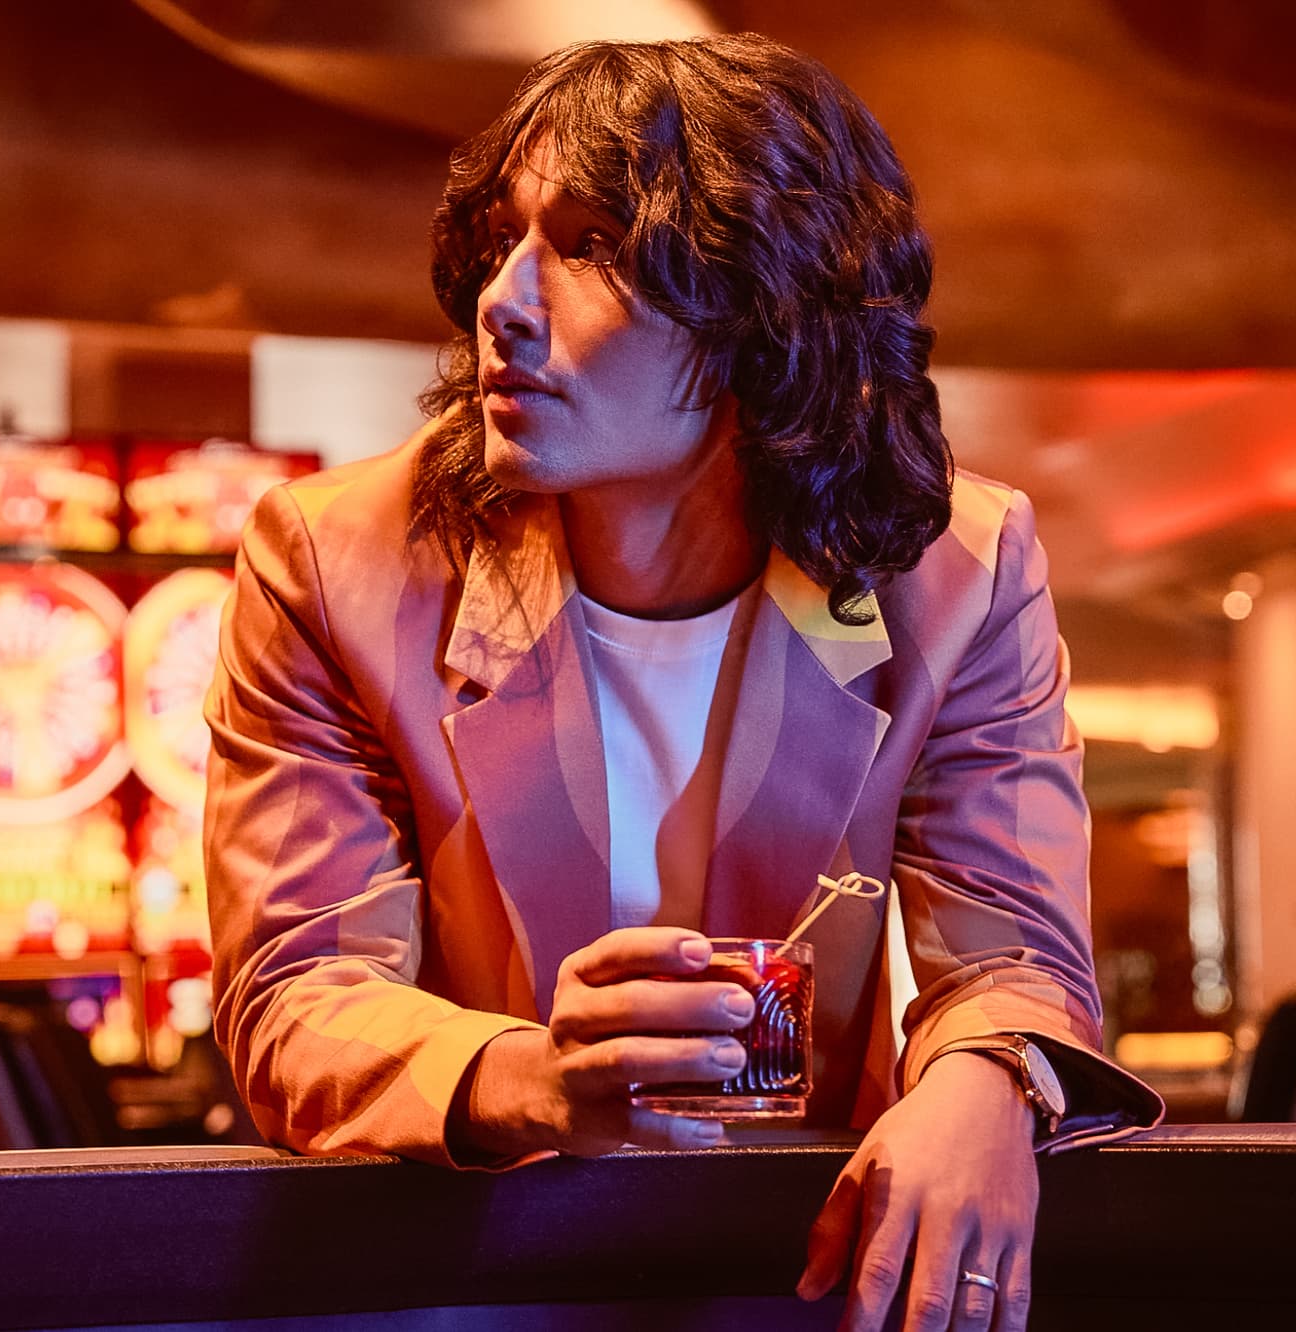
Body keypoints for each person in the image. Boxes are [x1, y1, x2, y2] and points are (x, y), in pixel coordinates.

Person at [205, 32, 1163, 1332]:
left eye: (591, 243)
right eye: (504, 237)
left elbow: (1009, 947)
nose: (504, 297)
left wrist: (986, 1082)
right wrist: (525, 1077)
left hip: (790, 1275)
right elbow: (294, 991)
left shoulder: (956, 572)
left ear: (766, 307)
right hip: (463, 1278)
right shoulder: (333, 561)